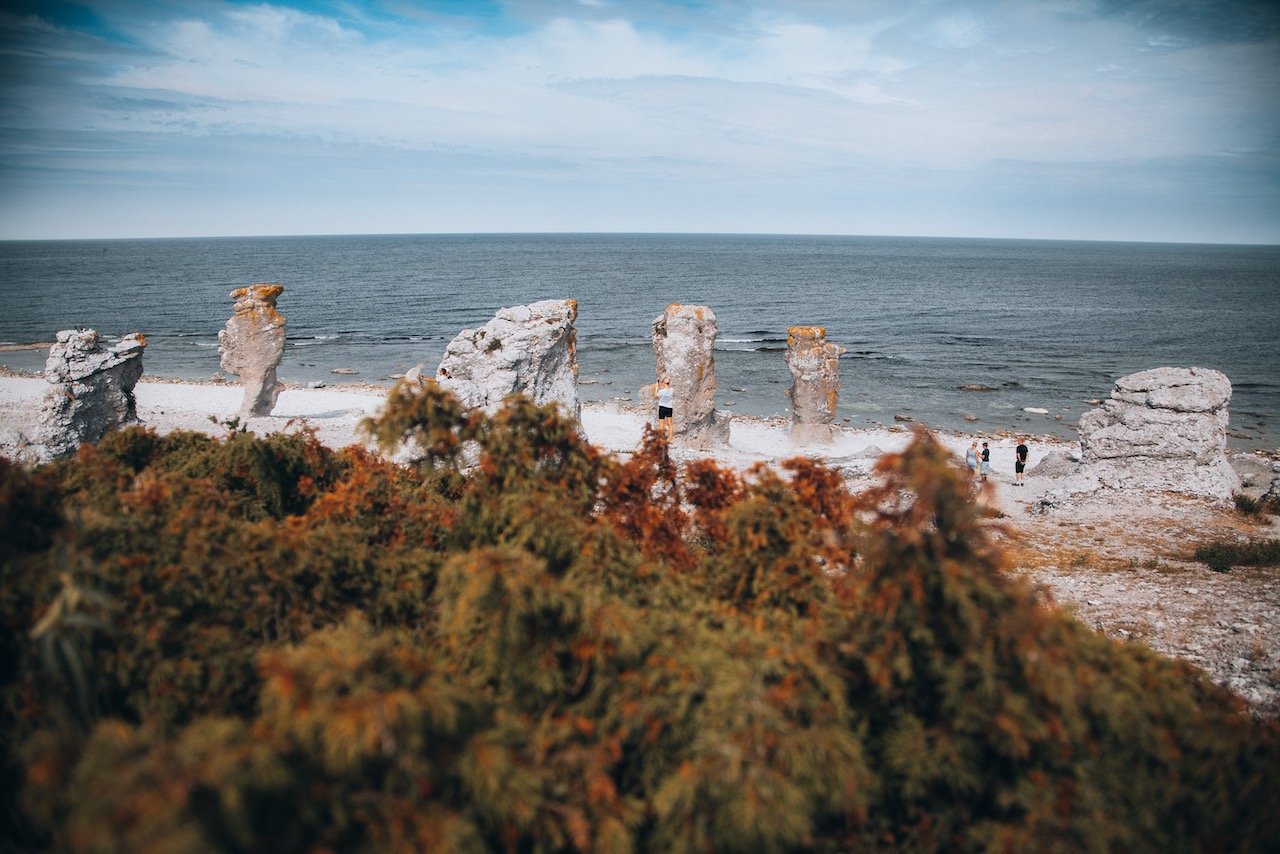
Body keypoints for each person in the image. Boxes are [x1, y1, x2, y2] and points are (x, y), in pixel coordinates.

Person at [656, 377, 674, 442]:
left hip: (662, 408)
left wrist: (657, 386)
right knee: (670, 424)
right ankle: (670, 440)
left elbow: (656, 395)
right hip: (669, 408)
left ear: (663, 383)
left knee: (661, 425)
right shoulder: (672, 390)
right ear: (669, 383)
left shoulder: (661, 391)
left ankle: (661, 439)